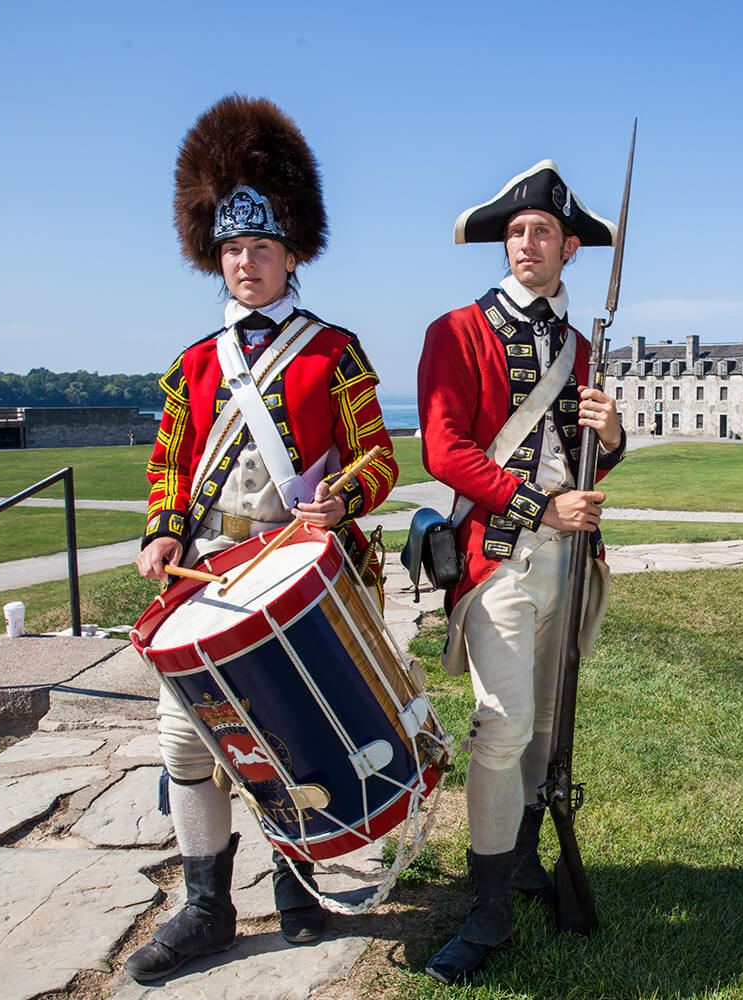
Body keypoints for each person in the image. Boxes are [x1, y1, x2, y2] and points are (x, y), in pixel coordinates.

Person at [125, 95, 399, 983]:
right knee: (186, 742)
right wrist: (163, 533)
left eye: (263, 248)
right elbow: (170, 466)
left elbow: (378, 460)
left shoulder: (336, 353)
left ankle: (296, 883)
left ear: (292, 256)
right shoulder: (195, 364)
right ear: (219, 257)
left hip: (295, 574)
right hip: (204, 577)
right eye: (234, 250)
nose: (247, 263)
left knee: (289, 731)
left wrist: (342, 500)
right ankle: (206, 907)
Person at [417, 160, 625, 984]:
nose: (525, 243)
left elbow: (585, 469)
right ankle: (489, 906)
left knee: (545, 724)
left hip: (569, 562)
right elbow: (446, 450)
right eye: (514, 232)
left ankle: (528, 862)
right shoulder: (456, 331)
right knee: (501, 726)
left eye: (541, 232)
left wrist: (608, 442)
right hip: (500, 557)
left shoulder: (581, 348)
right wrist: (541, 506)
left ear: (569, 247)